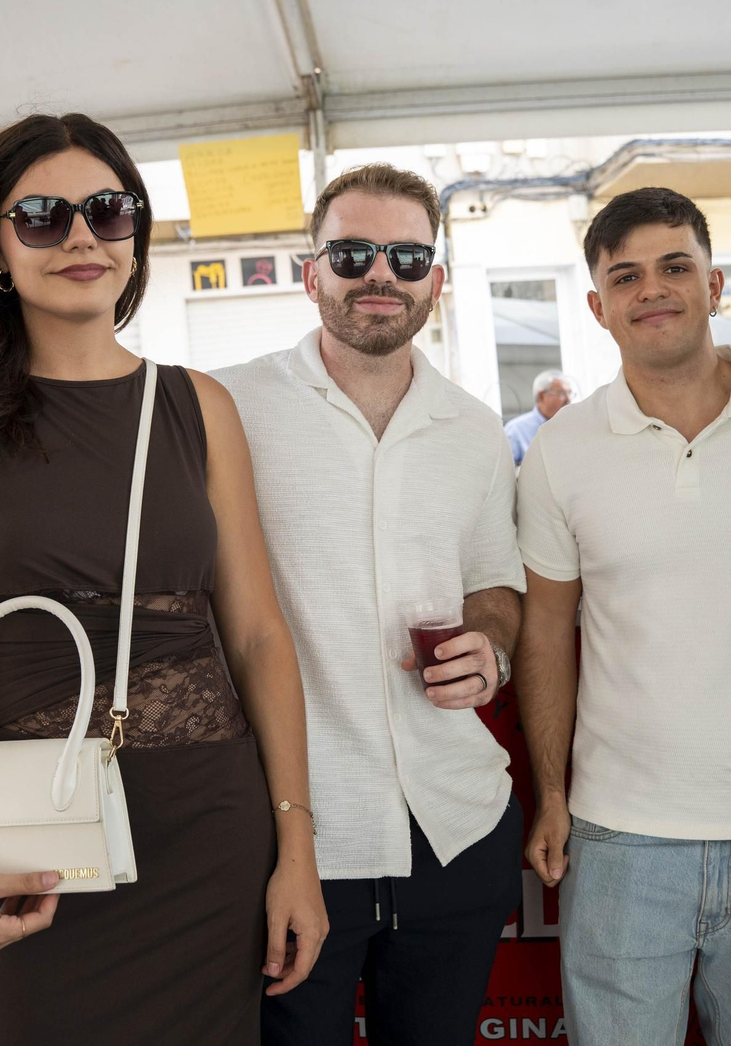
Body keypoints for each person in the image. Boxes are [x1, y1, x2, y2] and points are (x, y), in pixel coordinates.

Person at [0, 113, 325, 1046]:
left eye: (109, 211)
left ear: (135, 235)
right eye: (41, 215)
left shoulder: (200, 406)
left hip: (208, 832)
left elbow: (260, 640)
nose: (81, 236)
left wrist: (298, 849)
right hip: (24, 851)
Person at [514, 187, 731, 1044]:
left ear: (716, 285)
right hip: (620, 839)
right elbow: (547, 631)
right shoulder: (561, 451)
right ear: (598, 306)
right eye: (625, 276)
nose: (651, 290)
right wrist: (552, 794)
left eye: (674, 267)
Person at [214, 163, 525, 1046]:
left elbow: (495, 584)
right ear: (310, 273)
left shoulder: (471, 426)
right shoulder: (229, 405)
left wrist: (491, 646)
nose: (379, 273)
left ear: (437, 279)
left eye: (405, 254)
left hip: (456, 825)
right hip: (294, 834)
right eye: (351, 253)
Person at [503, 370, 573, 465]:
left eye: (570, 393)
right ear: (541, 396)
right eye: (561, 393)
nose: (569, 399)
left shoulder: (573, 427)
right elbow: (506, 475)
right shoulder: (515, 430)